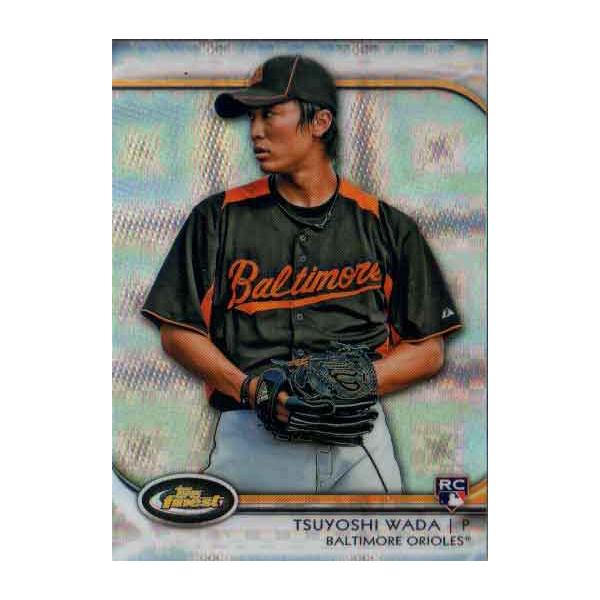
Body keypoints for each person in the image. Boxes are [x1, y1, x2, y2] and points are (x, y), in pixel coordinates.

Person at [141, 55, 462, 494]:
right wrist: (251, 389)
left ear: (320, 122)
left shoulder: (387, 226)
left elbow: (428, 349)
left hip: (359, 440)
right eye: (252, 117)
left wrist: (362, 381)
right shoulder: (217, 218)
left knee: (380, 541)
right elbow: (177, 332)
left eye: (269, 114)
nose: (255, 131)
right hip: (251, 437)